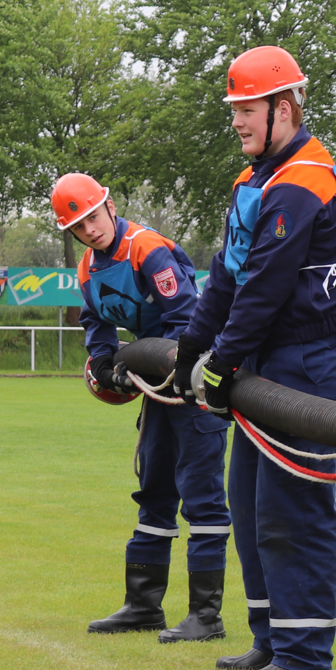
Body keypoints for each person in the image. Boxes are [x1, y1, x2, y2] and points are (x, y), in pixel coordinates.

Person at [173, 45, 336, 670]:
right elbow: (226, 279)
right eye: (233, 109)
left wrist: (220, 363)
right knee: (253, 503)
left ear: (283, 109)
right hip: (270, 358)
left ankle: (306, 655)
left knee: (295, 508)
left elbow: (264, 285)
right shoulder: (253, 181)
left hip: (317, 360)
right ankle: (270, 639)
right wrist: (188, 350)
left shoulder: (303, 179)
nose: (236, 120)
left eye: (246, 108)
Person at [58, 172, 233, 641]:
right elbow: (96, 321)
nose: (91, 229)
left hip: (194, 383)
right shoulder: (86, 269)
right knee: (154, 490)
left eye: (94, 216)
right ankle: (143, 605)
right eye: (79, 225)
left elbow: (187, 317)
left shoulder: (146, 248)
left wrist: (155, 363)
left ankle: (206, 616)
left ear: (109, 208)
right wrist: (104, 361)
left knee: (202, 496)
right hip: (157, 386)